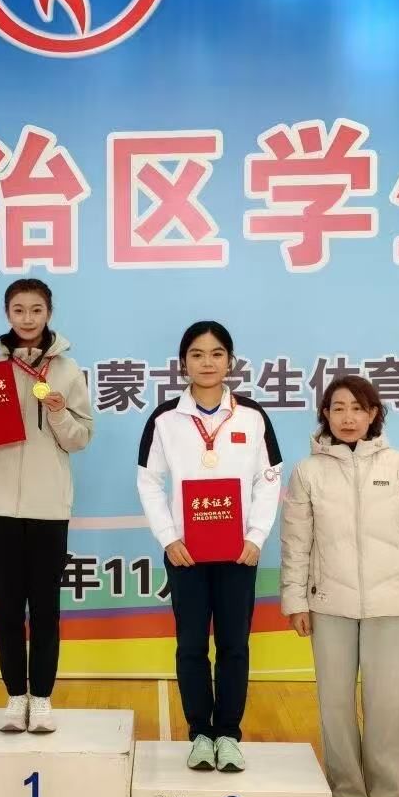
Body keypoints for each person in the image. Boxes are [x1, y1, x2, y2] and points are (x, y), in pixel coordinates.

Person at [279, 374, 399, 797]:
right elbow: (296, 543)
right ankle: (345, 793)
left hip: (391, 603)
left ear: (373, 415)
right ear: (325, 415)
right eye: (338, 408)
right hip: (329, 603)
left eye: (357, 408)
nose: (347, 418)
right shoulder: (308, 472)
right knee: (334, 704)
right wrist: (296, 600)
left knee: (387, 703)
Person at [136, 320, 283, 772]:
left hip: (239, 553)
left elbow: (269, 478)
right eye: (197, 354)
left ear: (230, 362)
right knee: (191, 645)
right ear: (183, 363)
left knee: (235, 645)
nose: (207, 362)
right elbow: (148, 481)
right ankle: (200, 732)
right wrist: (169, 537)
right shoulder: (165, 419)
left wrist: (256, 536)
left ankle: (229, 734)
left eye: (217, 354)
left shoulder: (252, 416)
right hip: (186, 554)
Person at [0, 278, 94, 734]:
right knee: (6, 609)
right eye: (19, 310)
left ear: (49, 313)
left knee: (46, 609)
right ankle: (16, 697)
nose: (28, 318)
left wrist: (58, 412)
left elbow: (80, 438)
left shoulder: (68, 370)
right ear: (7, 314)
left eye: (36, 309)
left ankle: (43, 698)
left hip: (49, 505)